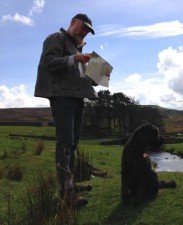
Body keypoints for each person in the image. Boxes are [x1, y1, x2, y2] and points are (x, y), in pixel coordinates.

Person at [34, 13, 98, 207]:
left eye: (88, 30)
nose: (85, 32)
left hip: (77, 97)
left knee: (72, 144)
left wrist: (99, 74)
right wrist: (74, 58)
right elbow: (48, 63)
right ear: (73, 22)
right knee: (65, 143)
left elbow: (85, 78)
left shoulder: (78, 49)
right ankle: (66, 195)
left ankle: (69, 185)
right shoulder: (56, 38)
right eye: (83, 27)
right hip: (62, 97)